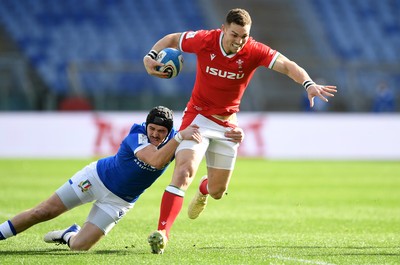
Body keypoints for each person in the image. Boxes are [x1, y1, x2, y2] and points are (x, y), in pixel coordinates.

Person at [143, 8, 337, 254]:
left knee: (217, 192)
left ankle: (204, 188)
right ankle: (162, 234)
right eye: (234, 35)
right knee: (183, 172)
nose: (239, 41)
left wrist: (308, 83)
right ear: (224, 29)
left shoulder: (254, 50)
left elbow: (288, 65)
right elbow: (172, 39)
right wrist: (150, 56)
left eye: (244, 36)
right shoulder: (205, 40)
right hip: (198, 117)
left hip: (228, 127)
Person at [0, 106, 206, 251]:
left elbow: (198, 147)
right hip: (96, 179)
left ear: (168, 131)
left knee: (80, 246)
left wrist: (232, 135)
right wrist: (179, 138)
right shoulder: (137, 134)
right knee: (42, 211)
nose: (155, 134)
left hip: (120, 201)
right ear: (146, 125)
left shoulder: (176, 139)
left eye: (161, 131)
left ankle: (68, 234)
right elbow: (155, 161)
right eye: (152, 128)